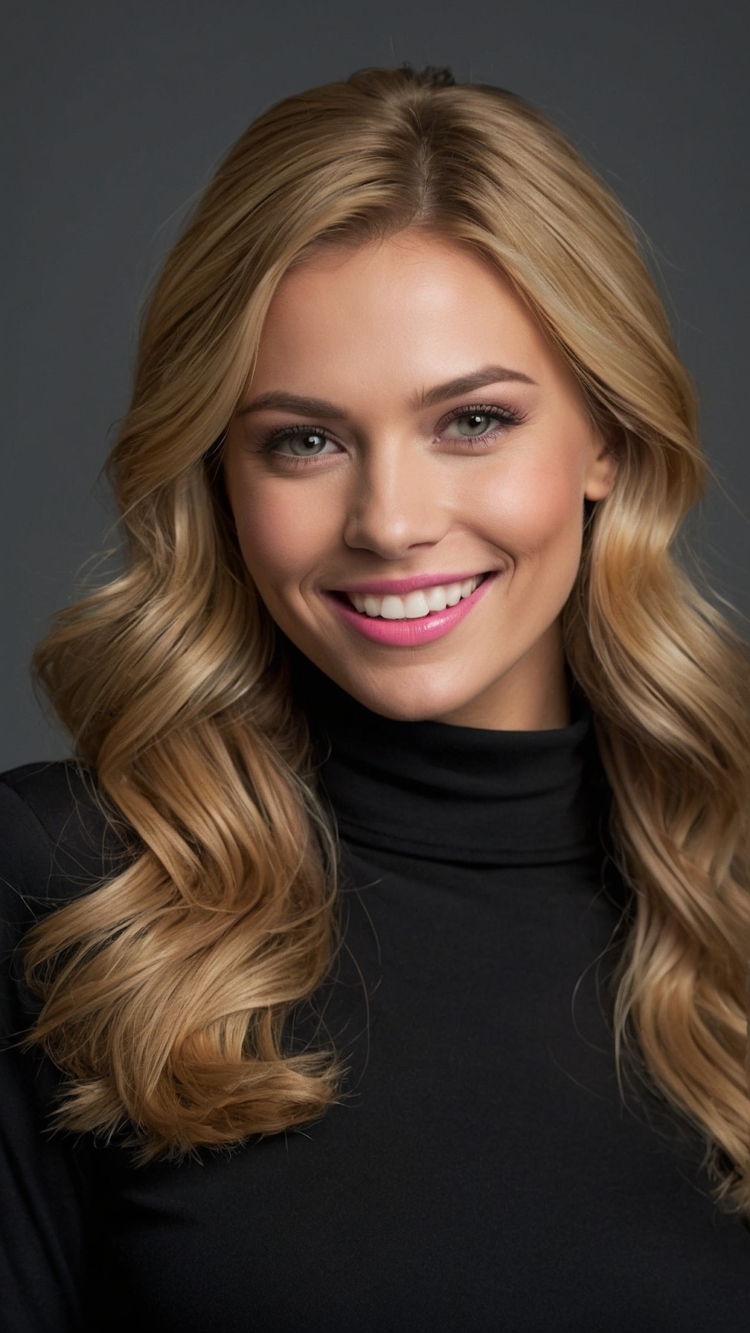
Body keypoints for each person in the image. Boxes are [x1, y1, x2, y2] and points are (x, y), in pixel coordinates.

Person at [1, 64, 749, 1332]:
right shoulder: (70, 890)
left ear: (608, 439)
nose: (391, 522)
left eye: (473, 421)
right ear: (220, 476)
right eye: (304, 439)